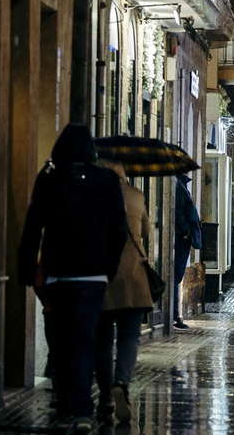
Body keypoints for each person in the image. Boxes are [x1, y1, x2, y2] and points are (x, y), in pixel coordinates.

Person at [18, 125, 126, 433]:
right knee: (84, 340)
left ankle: (67, 406)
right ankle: (80, 411)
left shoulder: (50, 178)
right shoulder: (106, 181)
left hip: (58, 275)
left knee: (62, 341)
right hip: (93, 277)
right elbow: (119, 230)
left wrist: (27, 269)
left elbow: (33, 225)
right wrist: (109, 269)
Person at [94, 159, 152, 425]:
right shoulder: (136, 195)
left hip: (103, 276)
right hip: (134, 277)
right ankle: (121, 382)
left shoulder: (95, 195)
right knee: (130, 337)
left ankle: (105, 399)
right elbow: (147, 231)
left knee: (103, 340)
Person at [171, 173, 202, 329]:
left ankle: (174, 314)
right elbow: (177, 212)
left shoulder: (180, 184)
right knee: (175, 276)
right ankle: (173, 314)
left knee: (176, 276)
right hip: (181, 239)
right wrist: (185, 232)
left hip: (182, 238)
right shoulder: (177, 185)